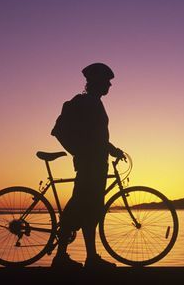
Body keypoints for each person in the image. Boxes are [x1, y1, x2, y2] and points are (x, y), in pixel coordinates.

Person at [50, 62, 125, 268]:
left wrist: (110, 149)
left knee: (88, 209)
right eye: (107, 81)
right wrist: (81, 151)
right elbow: (72, 133)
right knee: (81, 207)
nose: (110, 85)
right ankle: (64, 257)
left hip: (96, 162)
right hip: (90, 164)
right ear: (97, 82)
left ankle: (87, 257)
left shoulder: (94, 103)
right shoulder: (86, 103)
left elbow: (97, 137)